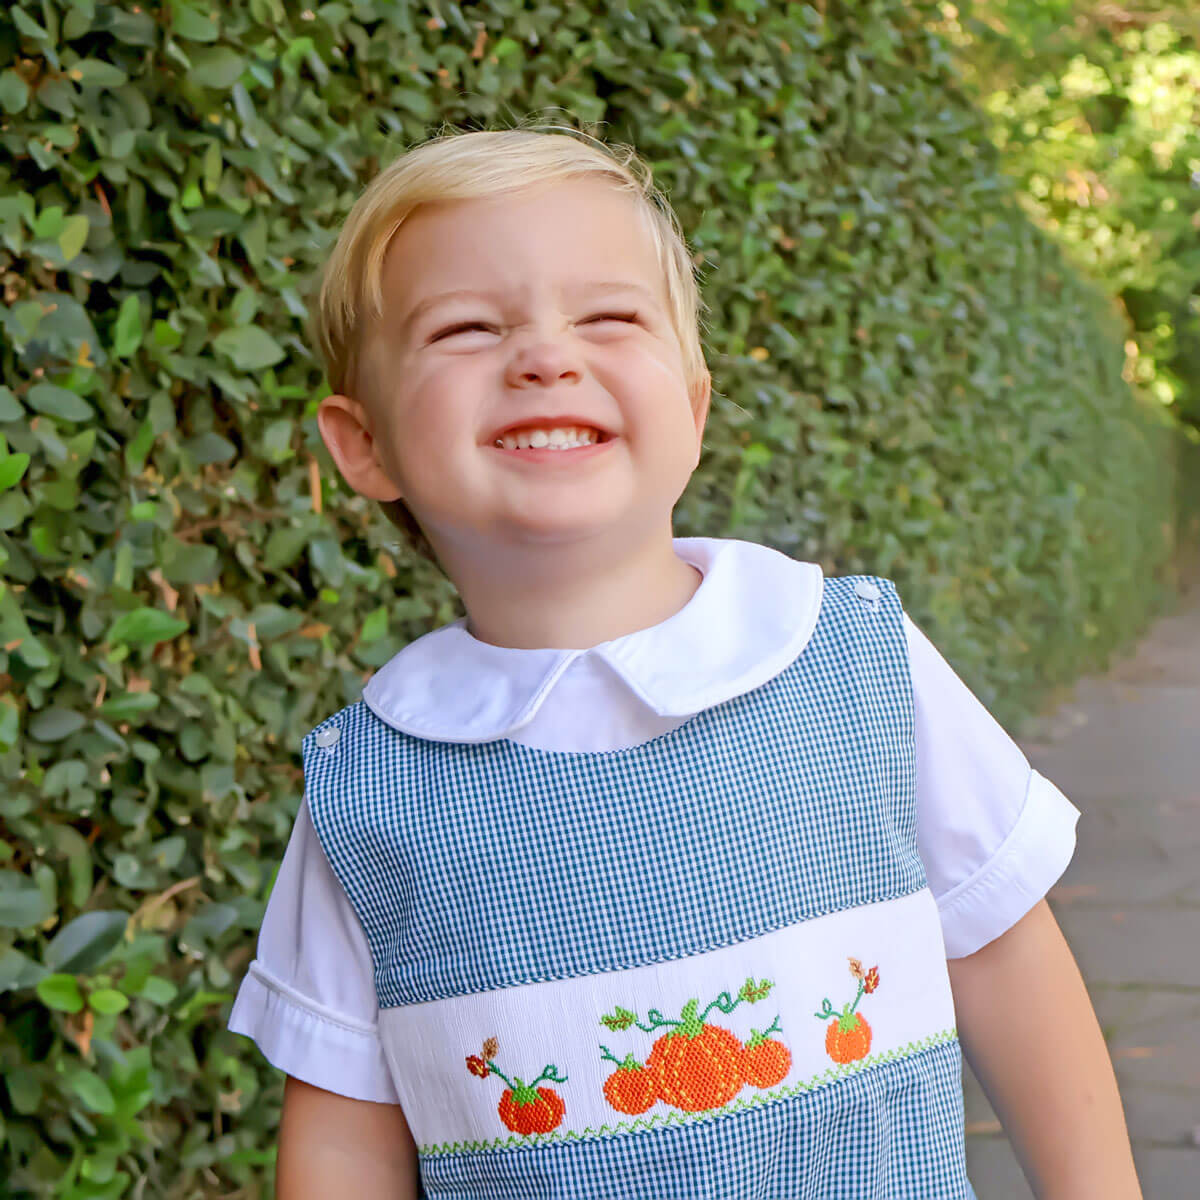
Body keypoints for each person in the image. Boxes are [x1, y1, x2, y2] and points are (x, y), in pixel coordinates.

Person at [227, 123, 1143, 1199]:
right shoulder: (370, 789)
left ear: (695, 408)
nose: (545, 354)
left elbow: (1003, 957)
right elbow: (343, 1134)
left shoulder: (850, 662)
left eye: (609, 315)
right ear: (365, 444)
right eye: (467, 327)